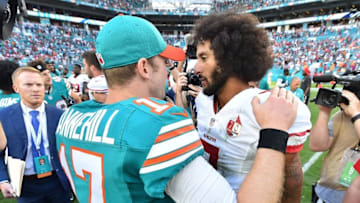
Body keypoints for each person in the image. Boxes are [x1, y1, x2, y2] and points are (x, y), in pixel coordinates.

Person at [56, 15, 298, 202]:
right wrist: (274, 130)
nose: (169, 70)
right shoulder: (155, 123)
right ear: (144, 67)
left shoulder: (71, 116)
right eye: (165, 63)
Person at [192, 12, 311, 203]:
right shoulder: (203, 100)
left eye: (204, 58)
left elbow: (291, 176)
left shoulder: (269, 107)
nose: (196, 68)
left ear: (227, 61)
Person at [0, 67, 71, 203]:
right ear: (16, 88)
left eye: (39, 84)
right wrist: (3, 180)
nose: (35, 89)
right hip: (26, 184)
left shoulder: (59, 115)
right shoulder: (4, 116)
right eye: (28, 84)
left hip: (57, 181)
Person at [310, 89, 360, 203]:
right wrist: (324, 113)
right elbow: (317, 145)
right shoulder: (342, 116)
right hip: (328, 191)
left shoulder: (354, 115)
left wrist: (356, 115)